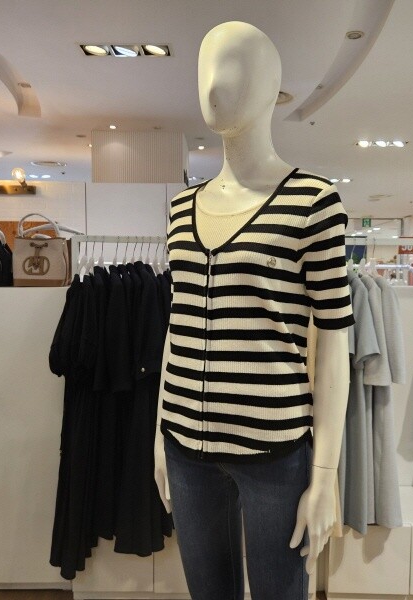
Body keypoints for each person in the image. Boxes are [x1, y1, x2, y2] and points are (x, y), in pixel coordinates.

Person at [154, 21, 354, 600]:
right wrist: (159, 432)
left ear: (273, 86)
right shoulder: (181, 206)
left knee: (278, 593)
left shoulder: (314, 202)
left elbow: (334, 338)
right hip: (185, 448)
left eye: (235, 67)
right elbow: (177, 326)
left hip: (275, 450)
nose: (214, 84)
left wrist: (325, 473)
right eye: (205, 68)